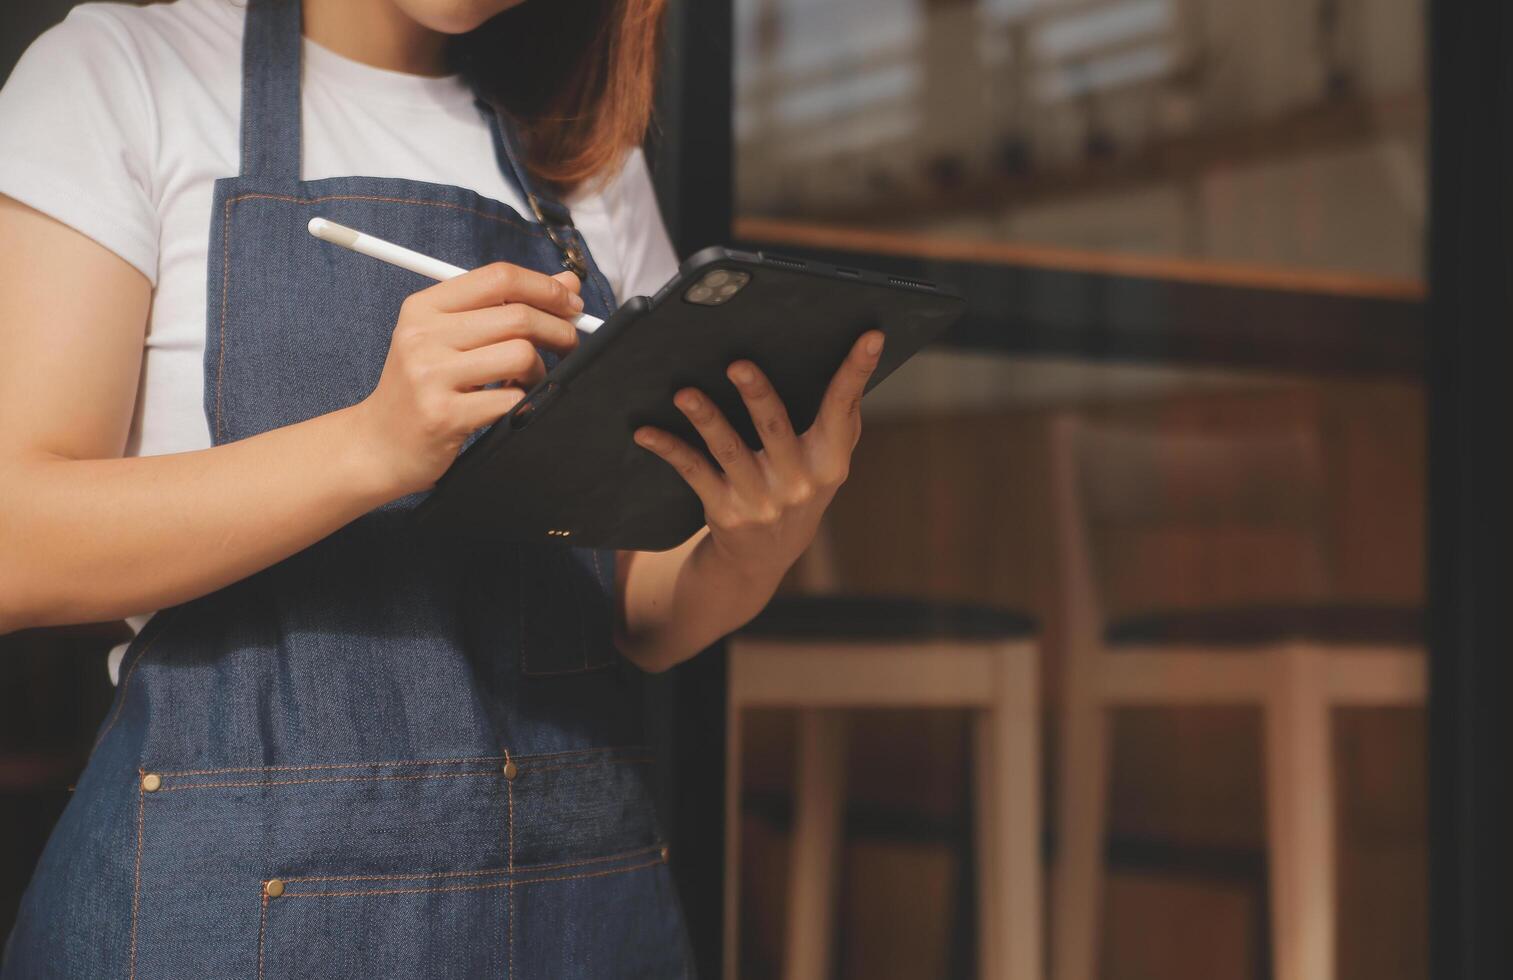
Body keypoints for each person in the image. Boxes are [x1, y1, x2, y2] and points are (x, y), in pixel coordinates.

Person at [0, 0, 883, 975]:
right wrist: (370, 448)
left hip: (572, 894)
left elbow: (633, 595)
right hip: (223, 904)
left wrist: (749, 552)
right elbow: (16, 543)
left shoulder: (581, 157)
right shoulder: (124, 72)